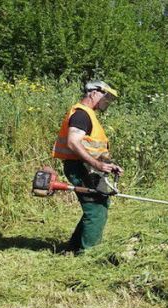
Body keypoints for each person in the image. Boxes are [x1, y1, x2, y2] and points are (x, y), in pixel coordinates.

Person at [52, 80, 123, 253]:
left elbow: (91, 147)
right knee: (96, 209)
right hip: (80, 168)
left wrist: (107, 165)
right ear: (93, 93)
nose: (107, 102)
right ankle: (89, 253)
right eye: (105, 97)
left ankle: (74, 247)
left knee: (97, 206)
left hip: (87, 167)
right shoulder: (81, 115)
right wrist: (97, 164)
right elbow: (73, 142)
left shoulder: (88, 114)